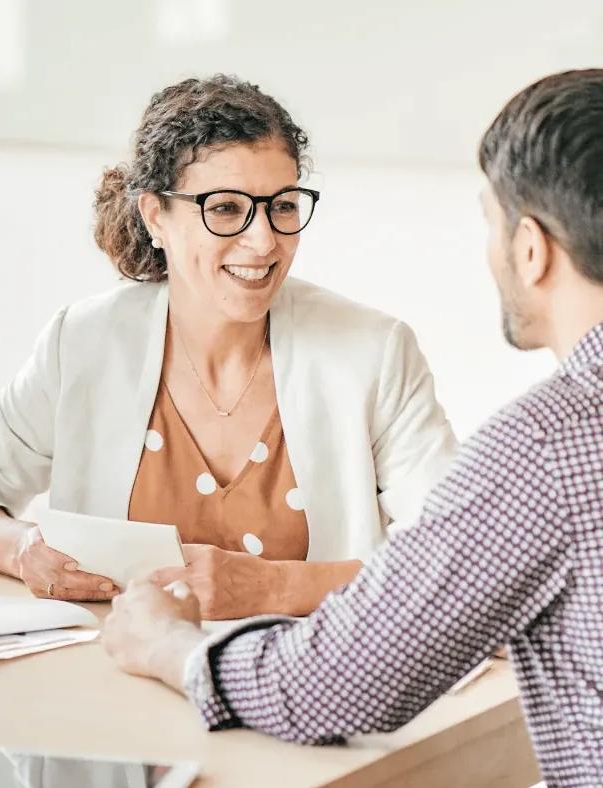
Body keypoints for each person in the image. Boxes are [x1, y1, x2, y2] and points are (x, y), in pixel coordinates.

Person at [103, 69, 603, 785]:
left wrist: (165, 645)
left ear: (531, 248)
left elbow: (328, 688)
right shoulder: (91, 338)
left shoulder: (546, 449)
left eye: (489, 223)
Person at [0, 75, 456, 619]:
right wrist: (23, 549)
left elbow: (460, 559)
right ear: (155, 217)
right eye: (226, 208)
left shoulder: (374, 353)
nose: (264, 240)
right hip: (115, 666)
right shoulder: (84, 341)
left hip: (308, 671)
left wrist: (275, 588)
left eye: (284, 206)